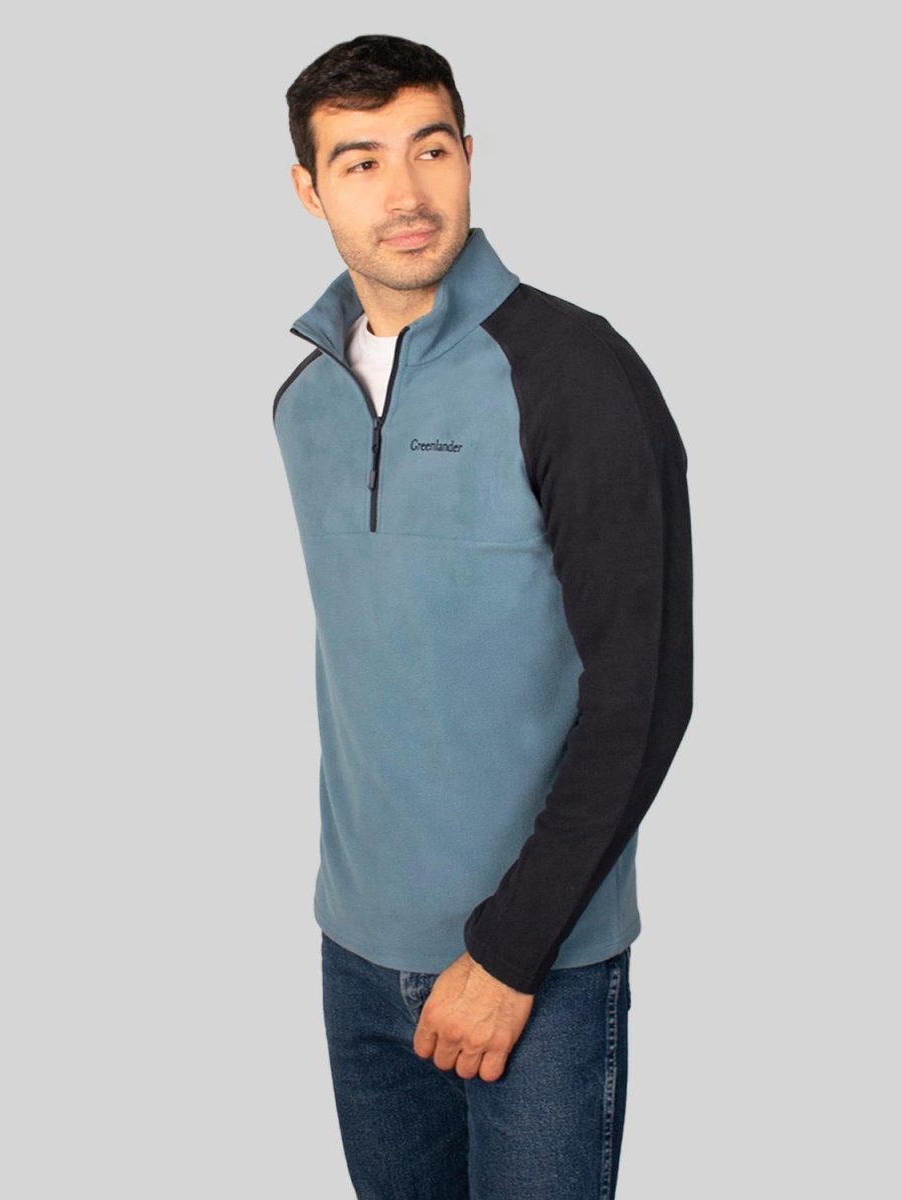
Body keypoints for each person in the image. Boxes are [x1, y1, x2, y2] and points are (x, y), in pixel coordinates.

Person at [272, 33, 693, 1199]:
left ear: (468, 155)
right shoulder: (305, 399)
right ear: (309, 190)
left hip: (536, 967)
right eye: (360, 162)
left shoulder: (576, 374)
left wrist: (509, 954)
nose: (405, 193)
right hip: (356, 955)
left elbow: (645, 695)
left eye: (431, 149)